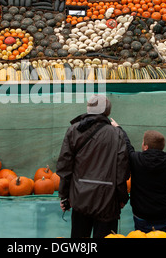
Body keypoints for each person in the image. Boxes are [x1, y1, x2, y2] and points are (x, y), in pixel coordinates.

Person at [56, 94, 133, 238]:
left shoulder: (73, 130)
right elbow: (121, 170)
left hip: (80, 198)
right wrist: (122, 197)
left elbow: (64, 167)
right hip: (107, 201)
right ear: (107, 112)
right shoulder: (117, 134)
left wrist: (65, 196)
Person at [129, 130, 166, 232]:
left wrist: (119, 129)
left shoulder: (136, 159)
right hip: (163, 212)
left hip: (141, 213)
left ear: (145, 147)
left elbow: (128, 148)